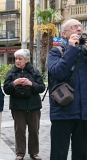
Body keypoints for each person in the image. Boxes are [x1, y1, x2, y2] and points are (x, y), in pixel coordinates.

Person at [48, 19, 87, 160]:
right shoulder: (56, 52)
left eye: (80, 26)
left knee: (82, 154)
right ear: (64, 34)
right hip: (63, 112)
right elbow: (58, 73)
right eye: (74, 27)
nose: (78, 29)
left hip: (84, 115)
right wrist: (72, 49)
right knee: (59, 154)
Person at [3, 49, 45, 160]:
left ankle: (34, 152)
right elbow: (6, 89)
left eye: (20, 59)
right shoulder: (11, 73)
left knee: (34, 130)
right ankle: (20, 153)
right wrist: (14, 83)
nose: (17, 61)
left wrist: (31, 84)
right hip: (18, 107)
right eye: (16, 58)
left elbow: (42, 88)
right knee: (19, 130)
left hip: (33, 106)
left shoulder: (34, 72)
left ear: (26, 60)